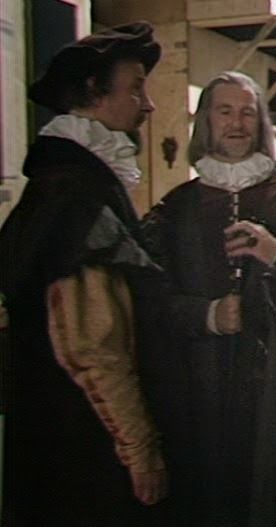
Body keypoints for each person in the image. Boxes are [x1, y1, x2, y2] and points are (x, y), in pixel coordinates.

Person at [0, 22, 168, 526]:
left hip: (55, 437)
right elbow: (94, 346)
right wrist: (140, 450)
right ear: (96, 92)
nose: (148, 105)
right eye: (135, 88)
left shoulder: (63, 182)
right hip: (82, 448)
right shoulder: (76, 196)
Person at [140, 71, 276, 526]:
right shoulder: (175, 210)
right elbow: (150, 304)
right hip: (196, 394)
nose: (237, 123)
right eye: (225, 111)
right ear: (206, 120)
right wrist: (208, 315)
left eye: (247, 113)